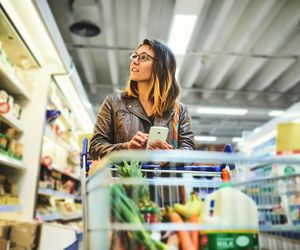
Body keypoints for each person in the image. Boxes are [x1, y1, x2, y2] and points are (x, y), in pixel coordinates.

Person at [89, 38, 195, 162]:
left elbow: (190, 153)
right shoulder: (113, 103)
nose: (135, 61)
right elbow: (95, 148)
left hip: (164, 181)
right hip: (124, 181)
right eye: (134, 56)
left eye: (143, 57)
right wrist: (127, 148)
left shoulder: (179, 110)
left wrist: (169, 157)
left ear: (161, 67)